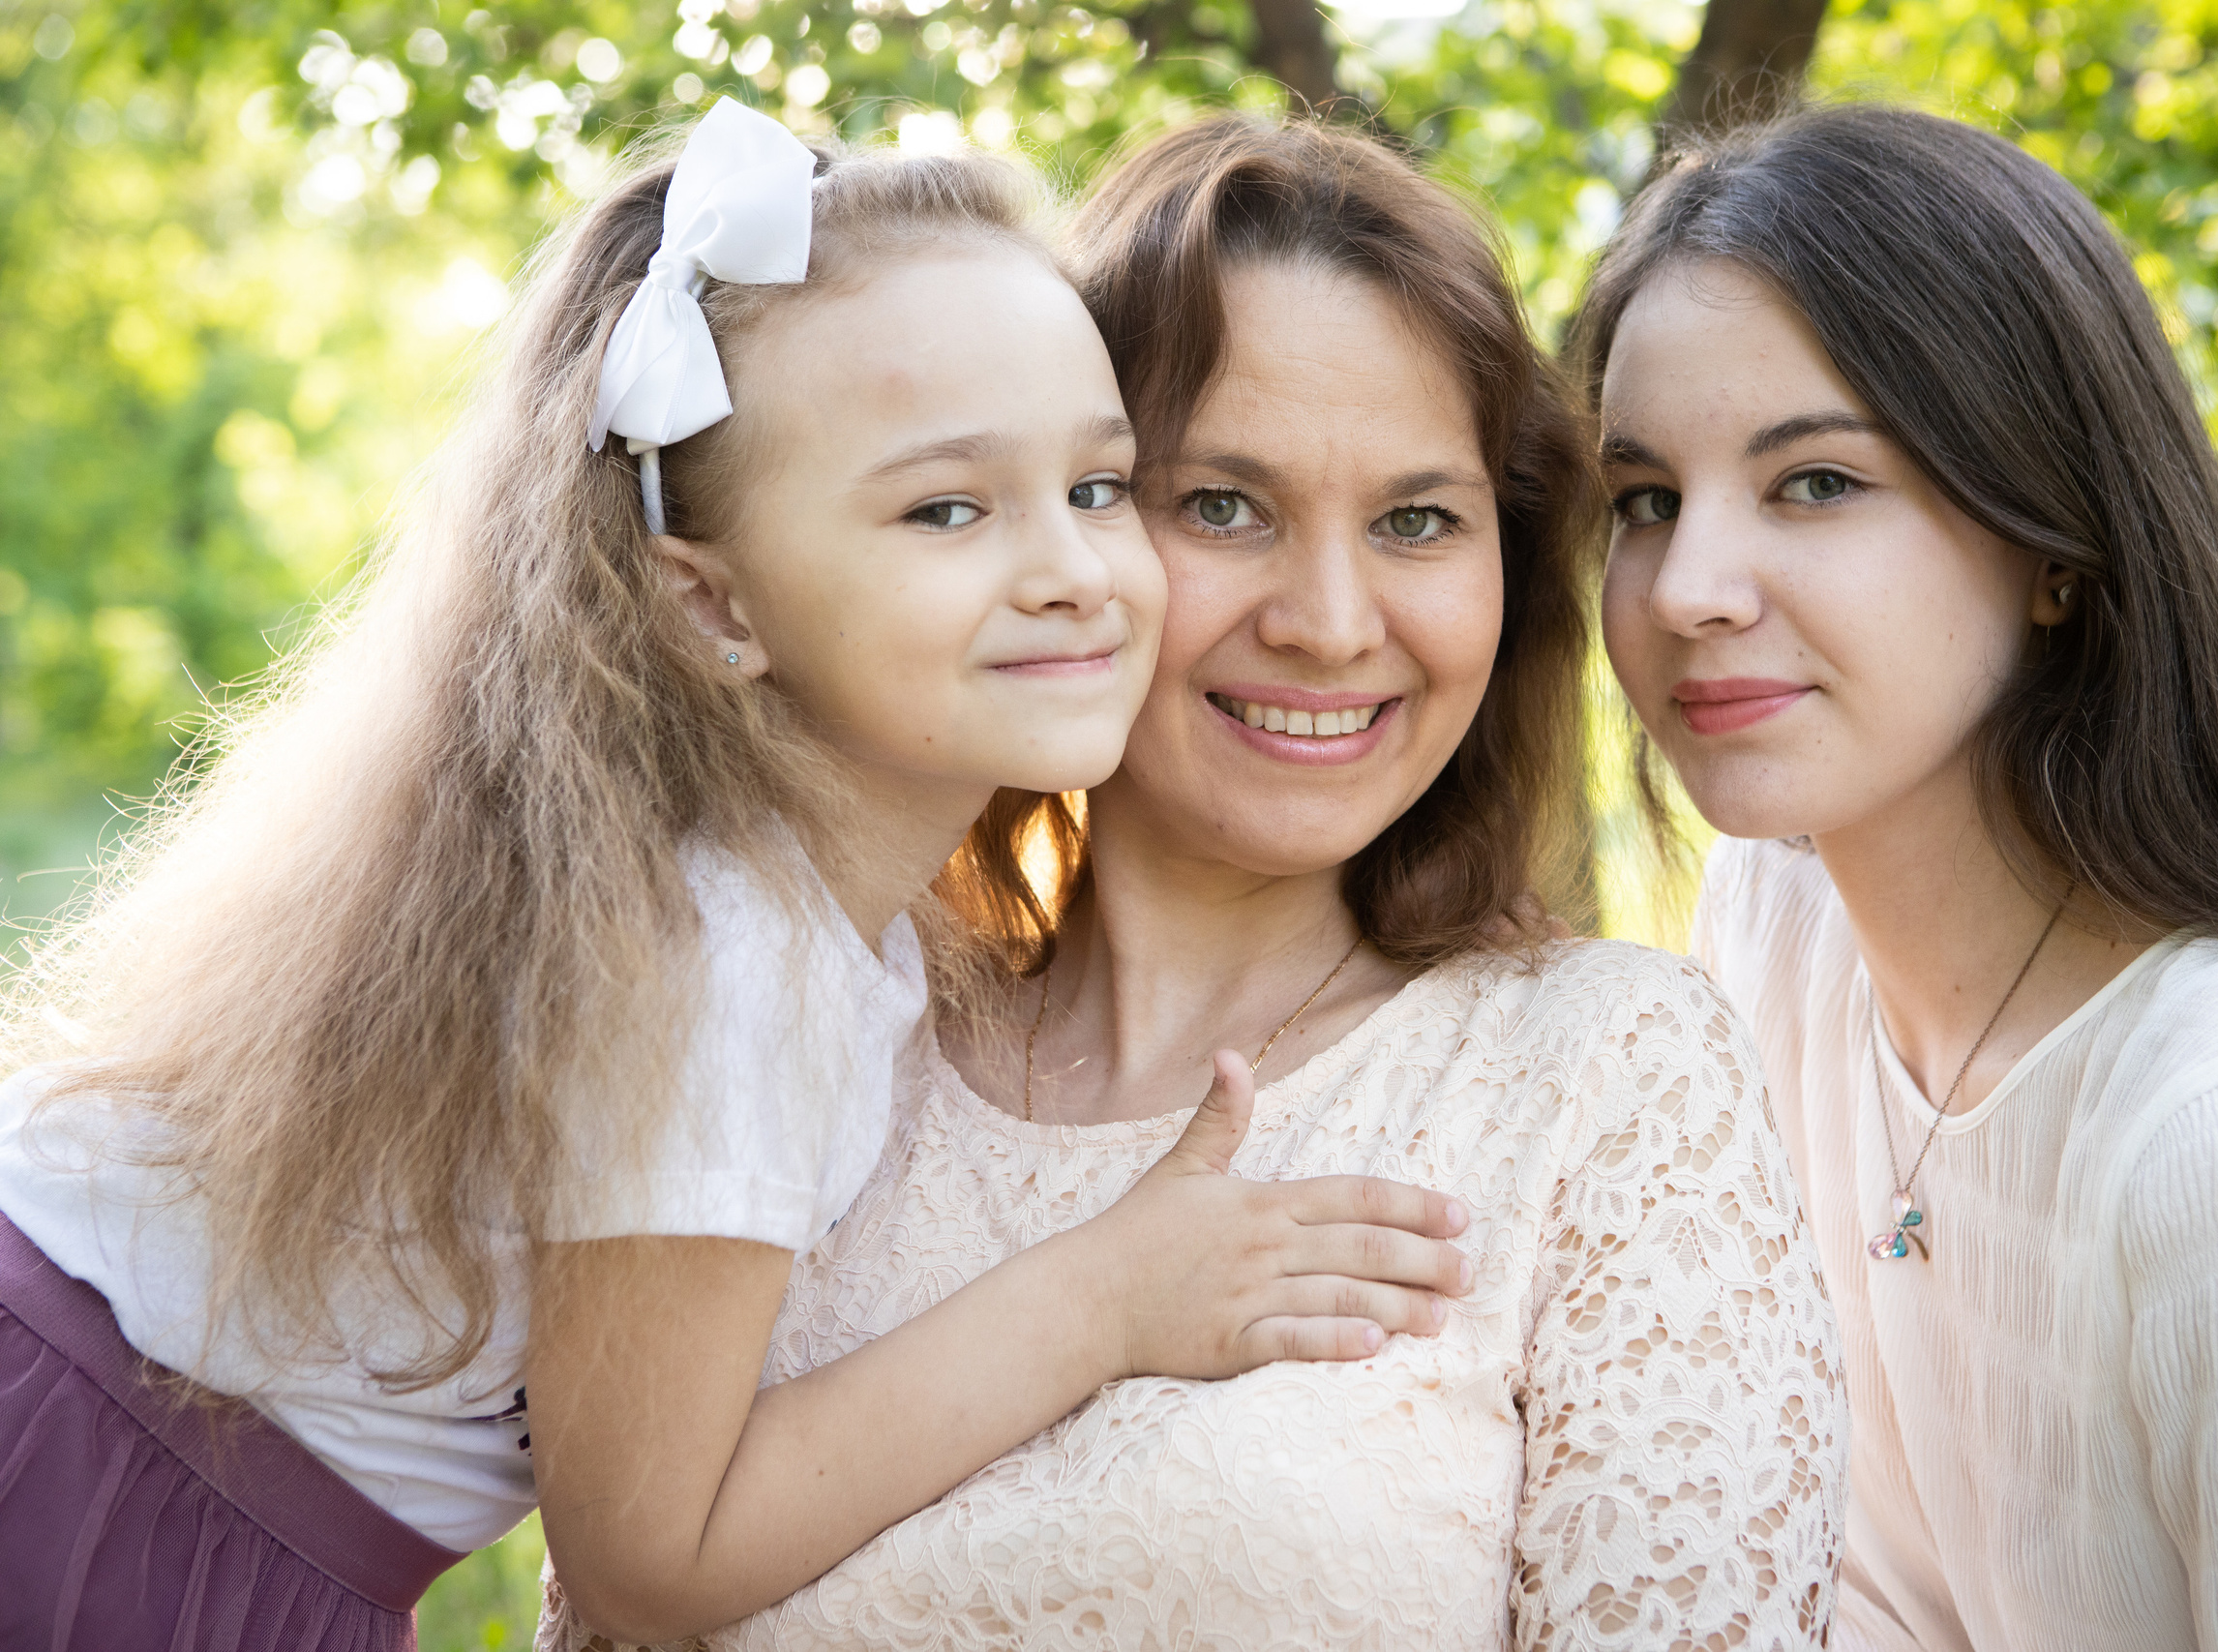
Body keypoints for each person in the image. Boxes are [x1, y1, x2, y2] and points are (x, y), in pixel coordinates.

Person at [0, 100, 1477, 1652]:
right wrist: (1105, 1298)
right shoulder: (730, 954)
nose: (1071, 568)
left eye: (1100, 487)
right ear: (712, 606)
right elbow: (652, 1557)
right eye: (948, 508)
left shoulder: (805, 924)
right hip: (101, 1494)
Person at [543, 114, 1845, 1652]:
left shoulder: (1602, 1078)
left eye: (1419, 520)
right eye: (1221, 504)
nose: (1331, 622)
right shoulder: (813, 1022)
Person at [1579, 103, 2218, 1652]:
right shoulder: (1778, 940)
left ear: (2050, 538)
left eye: (1815, 484)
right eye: (1647, 500)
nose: (1688, 592)